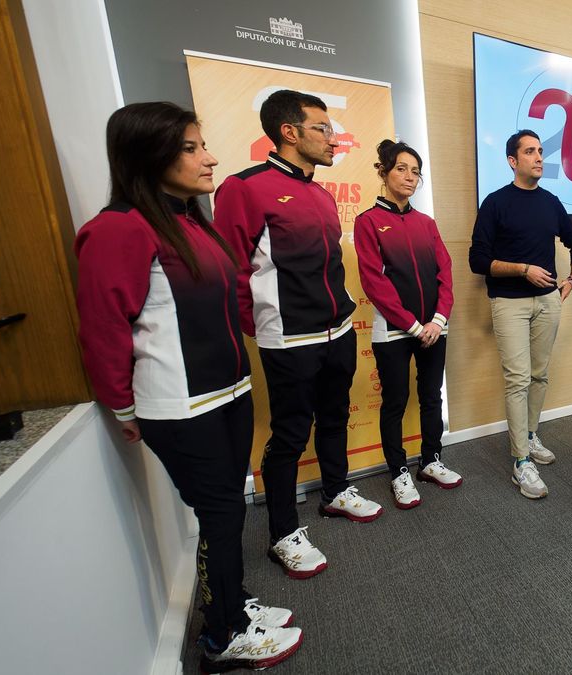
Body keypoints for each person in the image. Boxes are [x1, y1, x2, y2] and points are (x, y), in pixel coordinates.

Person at [75, 102, 301, 672]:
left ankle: (232, 602)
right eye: (194, 148)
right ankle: (221, 637)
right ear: (150, 154)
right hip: (181, 406)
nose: (212, 159)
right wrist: (122, 405)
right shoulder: (117, 229)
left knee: (229, 510)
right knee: (221, 515)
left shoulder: (189, 221)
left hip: (229, 392)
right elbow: (104, 326)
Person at [213, 90, 379, 580]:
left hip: (339, 331)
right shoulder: (244, 189)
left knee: (332, 419)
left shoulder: (322, 194)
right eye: (323, 129)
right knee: (288, 436)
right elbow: (230, 271)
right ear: (290, 132)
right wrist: (263, 325)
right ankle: (283, 532)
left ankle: (334, 493)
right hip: (289, 340)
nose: (333, 139)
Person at [468, 130, 572, 500]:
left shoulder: (551, 202)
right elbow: (478, 260)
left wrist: (570, 282)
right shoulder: (496, 203)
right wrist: (522, 269)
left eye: (540, 151)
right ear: (512, 161)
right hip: (510, 303)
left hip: (548, 302)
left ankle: (531, 436)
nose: (539, 157)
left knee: (539, 374)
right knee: (518, 379)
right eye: (530, 151)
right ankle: (520, 461)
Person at [354, 139, 462, 509]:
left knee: (433, 397)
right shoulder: (368, 222)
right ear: (383, 172)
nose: (410, 177)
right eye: (401, 168)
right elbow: (374, 281)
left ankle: (431, 459)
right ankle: (399, 470)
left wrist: (438, 319)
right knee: (396, 402)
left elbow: (445, 272)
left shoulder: (425, 223)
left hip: (434, 326)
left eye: (415, 171)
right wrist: (414, 326)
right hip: (396, 331)